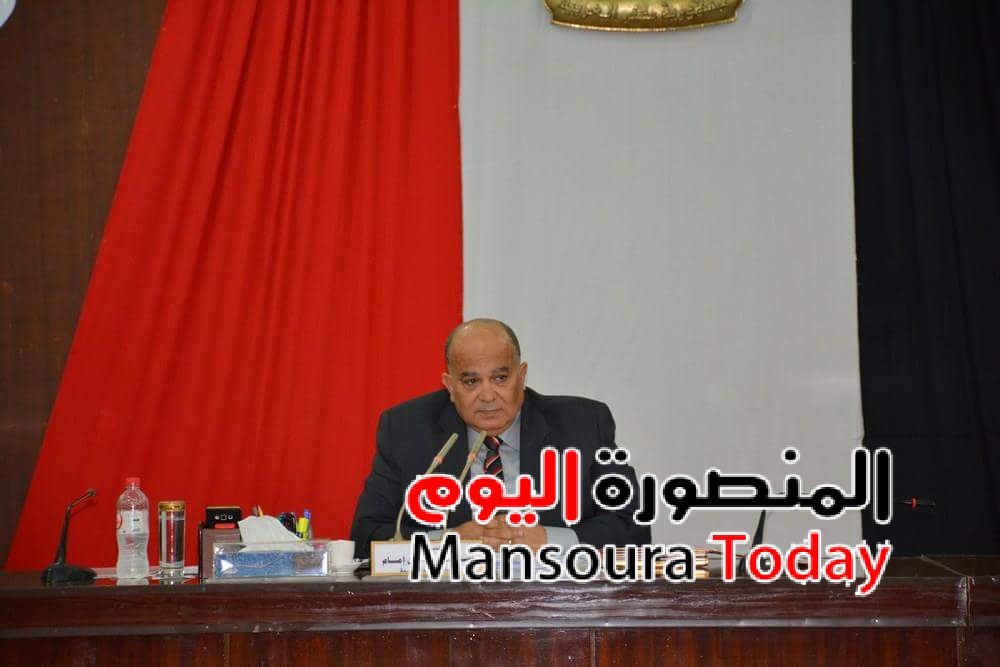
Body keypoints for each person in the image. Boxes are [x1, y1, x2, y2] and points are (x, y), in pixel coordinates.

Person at [350, 318, 649, 557]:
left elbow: (632, 528)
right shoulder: (407, 430)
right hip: (451, 605)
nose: (488, 395)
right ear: (450, 386)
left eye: (500, 378)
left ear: (522, 375)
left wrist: (550, 540)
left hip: (557, 601)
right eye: (471, 381)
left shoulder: (582, 425)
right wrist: (446, 541)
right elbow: (366, 537)